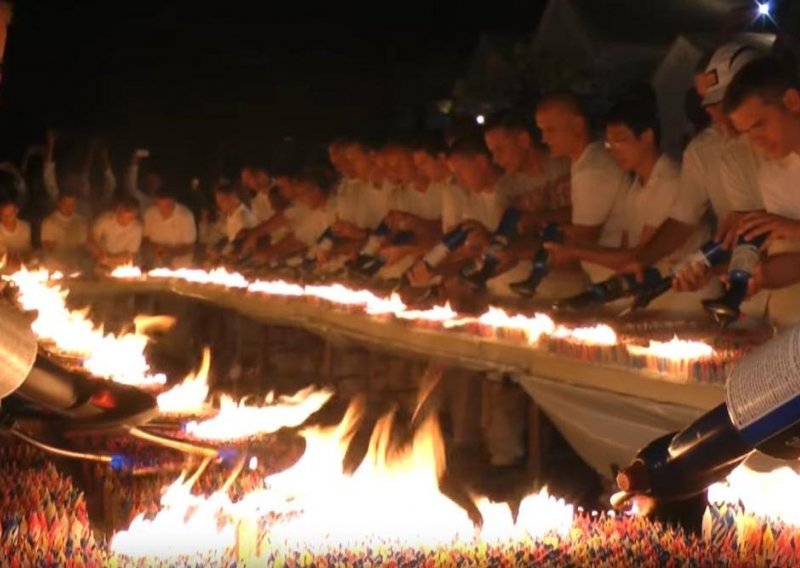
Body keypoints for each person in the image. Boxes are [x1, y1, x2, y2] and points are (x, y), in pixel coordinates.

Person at [509, 91, 630, 297]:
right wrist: (543, 219)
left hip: (618, 284)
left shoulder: (593, 170)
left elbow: (582, 241)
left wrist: (514, 252)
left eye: (551, 130)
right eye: (541, 130)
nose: (544, 139)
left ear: (577, 125)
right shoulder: (584, 162)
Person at [723, 55, 800, 328]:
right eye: (747, 133)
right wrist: (760, 276)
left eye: (759, 125)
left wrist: (791, 227)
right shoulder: (773, 173)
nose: (757, 143)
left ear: (792, 102)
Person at [43, 131, 116, 218]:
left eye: (75, 181)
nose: (74, 183)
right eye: (71, 180)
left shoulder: (87, 200)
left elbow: (85, 174)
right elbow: (48, 175)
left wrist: (95, 152)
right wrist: (50, 145)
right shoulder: (59, 200)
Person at [142, 188, 197, 268]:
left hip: (180, 265)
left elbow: (190, 247)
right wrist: (156, 248)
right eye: (159, 205)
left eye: (167, 205)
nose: (163, 209)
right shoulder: (150, 214)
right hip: (156, 264)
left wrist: (170, 253)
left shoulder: (185, 216)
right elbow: (145, 239)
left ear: (174, 202)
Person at [87, 196, 142, 270]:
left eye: (129, 219)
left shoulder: (137, 228)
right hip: (100, 256)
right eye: (122, 217)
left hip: (121, 261)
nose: (125, 221)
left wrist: (109, 260)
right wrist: (99, 254)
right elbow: (90, 239)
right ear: (117, 211)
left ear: (134, 216)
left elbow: (129, 254)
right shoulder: (105, 220)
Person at [40, 191, 89, 271]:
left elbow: (82, 244)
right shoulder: (49, 222)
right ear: (59, 204)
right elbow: (48, 247)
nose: (68, 207)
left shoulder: (80, 221)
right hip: (55, 265)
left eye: (72, 204)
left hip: (76, 264)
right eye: (65, 204)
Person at [209, 182, 256, 261]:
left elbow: (243, 241)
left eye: (222, 200)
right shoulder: (231, 215)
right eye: (218, 201)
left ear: (232, 197)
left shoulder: (242, 216)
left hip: (246, 259)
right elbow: (231, 237)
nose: (219, 205)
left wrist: (223, 253)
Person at [0, 188, 31, 270]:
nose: (7, 218)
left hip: (23, 269)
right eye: (4, 215)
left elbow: (27, 251)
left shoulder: (25, 227)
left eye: (10, 214)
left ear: (16, 211)